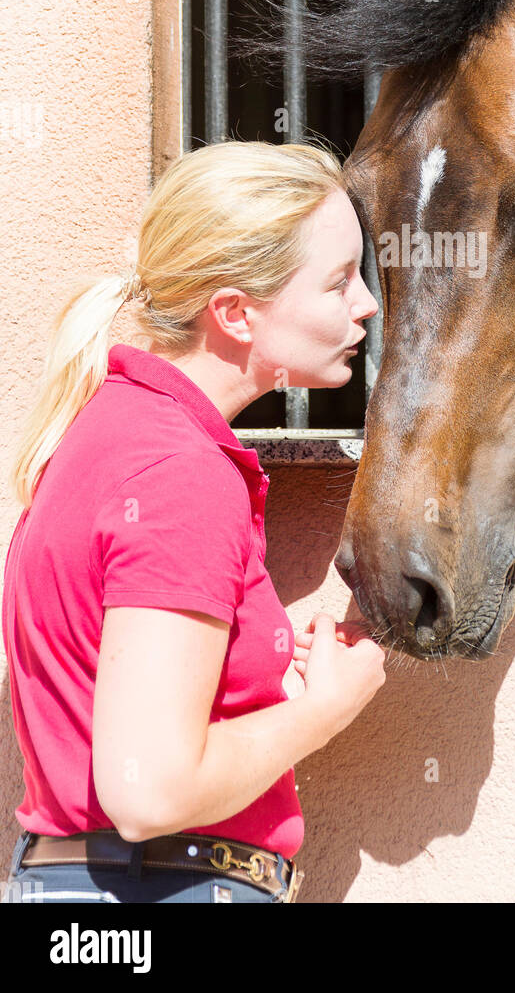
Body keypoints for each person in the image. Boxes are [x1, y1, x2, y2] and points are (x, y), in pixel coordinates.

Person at [1, 139, 386, 903]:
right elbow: (150, 794)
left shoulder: (112, 433)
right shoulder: (179, 472)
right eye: (339, 280)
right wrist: (323, 711)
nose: (366, 303)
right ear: (236, 313)